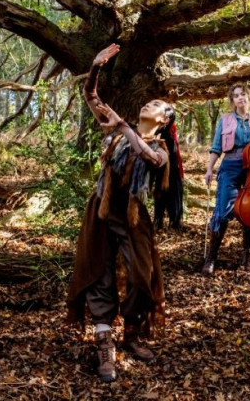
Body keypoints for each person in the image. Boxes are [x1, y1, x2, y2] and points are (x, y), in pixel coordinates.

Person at [66, 43, 177, 383]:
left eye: (155, 105)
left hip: (133, 215)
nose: (148, 104)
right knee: (98, 272)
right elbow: (91, 96)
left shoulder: (161, 149)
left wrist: (123, 125)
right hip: (101, 210)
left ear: (163, 120)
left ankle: (131, 331)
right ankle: (104, 344)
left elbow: (148, 157)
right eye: (148, 102)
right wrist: (95, 67)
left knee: (142, 276)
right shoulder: (116, 128)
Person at [202, 83, 250, 275]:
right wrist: (209, 169)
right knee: (222, 209)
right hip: (230, 166)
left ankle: (247, 254)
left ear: (248, 97)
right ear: (232, 100)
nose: (240, 97)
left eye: (243, 94)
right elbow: (216, 147)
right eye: (236, 95)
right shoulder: (225, 120)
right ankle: (211, 257)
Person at [152, 112, 184, 231]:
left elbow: (176, 150)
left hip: (173, 167)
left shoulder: (172, 128)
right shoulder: (158, 130)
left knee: (174, 193)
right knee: (161, 192)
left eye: (168, 117)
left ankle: (174, 222)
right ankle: (159, 220)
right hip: (162, 167)